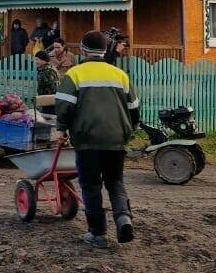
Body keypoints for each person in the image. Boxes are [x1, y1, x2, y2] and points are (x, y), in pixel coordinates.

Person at [55, 30, 141, 248]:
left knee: (91, 185)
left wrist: (61, 129)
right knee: (115, 181)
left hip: (87, 139)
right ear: (105, 51)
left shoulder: (75, 74)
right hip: (116, 139)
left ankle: (98, 233)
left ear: (83, 50)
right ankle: (123, 218)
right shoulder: (119, 75)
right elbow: (134, 107)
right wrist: (131, 129)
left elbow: (64, 105)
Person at [35, 50, 59, 115]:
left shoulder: (48, 71)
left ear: (43, 60)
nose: (36, 62)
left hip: (49, 101)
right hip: (45, 99)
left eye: (37, 59)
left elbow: (54, 88)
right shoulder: (43, 70)